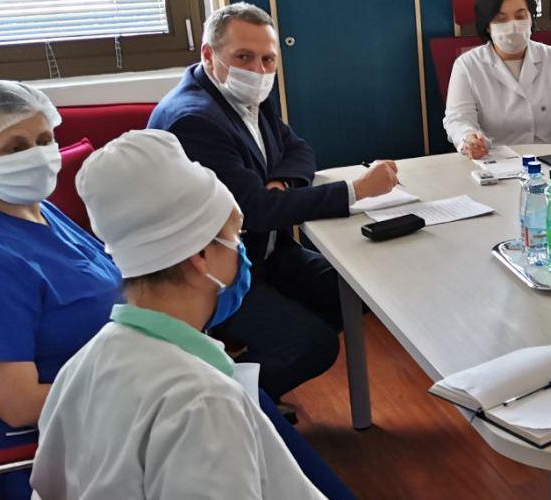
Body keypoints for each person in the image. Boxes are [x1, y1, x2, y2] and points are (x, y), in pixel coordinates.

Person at [32, 130, 331, 499]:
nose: (240, 252)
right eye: (235, 235)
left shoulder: (80, 368)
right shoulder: (201, 403)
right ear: (200, 256)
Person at [149, 3, 400, 399]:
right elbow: (257, 212)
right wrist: (356, 190)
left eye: (268, 59)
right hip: (209, 276)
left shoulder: (245, 93)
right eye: (243, 57)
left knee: (356, 290)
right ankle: (215, 401)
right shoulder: (194, 119)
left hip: (263, 253)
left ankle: (258, 365)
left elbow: (298, 150)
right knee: (311, 345)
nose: (258, 70)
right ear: (208, 55)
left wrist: (281, 182)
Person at [0, 81, 120, 500]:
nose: (37, 155)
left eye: (44, 140)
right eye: (15, 148)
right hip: (36, 456)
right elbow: (20, 405)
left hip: (97, 411)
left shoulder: (36, 210)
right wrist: (135, 387)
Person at [443, 0, 551, 159]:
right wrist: (469, 138)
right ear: (487, 26)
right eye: (501, 19)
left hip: (550, 160)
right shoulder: (467, 65)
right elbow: (458, 119)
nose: (513, 26)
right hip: (495, 161)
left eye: (520, 16)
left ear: (531, 18)